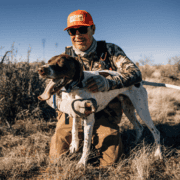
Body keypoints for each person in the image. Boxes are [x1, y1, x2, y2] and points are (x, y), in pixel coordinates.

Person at [49, 9, 142, 166]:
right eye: (72, 31)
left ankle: (97, 139)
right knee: (57, 157)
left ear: (93, 29)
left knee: (111, 161)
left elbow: (135, 74)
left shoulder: (110, 51)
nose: (78, 35)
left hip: (105, 112)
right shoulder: (63, 59)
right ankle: (83, 140)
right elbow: (49, 94)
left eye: (83, 29)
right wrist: (70, 106)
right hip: (73, 116)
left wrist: (109, 83)